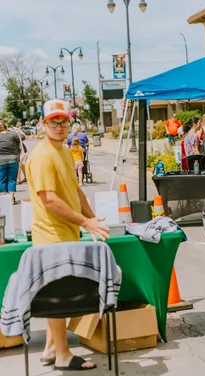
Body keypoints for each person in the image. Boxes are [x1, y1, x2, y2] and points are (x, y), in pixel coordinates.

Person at [27, 99, 110, 371]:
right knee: (58, 297)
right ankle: (62, 354)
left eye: (63, 121)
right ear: (43, 124)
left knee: (59, 295)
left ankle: (52, 348)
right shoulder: (41, 155)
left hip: (66, 233)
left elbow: (75, 191)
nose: (60, 126)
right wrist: (86, 222)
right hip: (50, 236)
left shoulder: (63, 150)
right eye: (54, 122)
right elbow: (49, 200)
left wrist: (91, 216)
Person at [0, 121, 24, 205]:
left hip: (1, 162)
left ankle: (3, 198)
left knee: (2, 180)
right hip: (13, 160)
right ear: (5, 126)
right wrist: (19, 130)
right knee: (12, 180)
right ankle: (11, 199)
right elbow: (23, 138)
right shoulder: (13, 134)